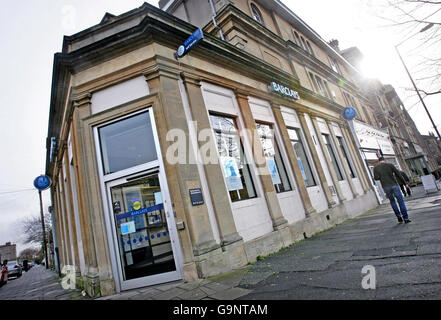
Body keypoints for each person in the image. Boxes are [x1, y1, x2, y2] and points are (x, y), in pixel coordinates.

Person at [374, 157, 411, 224]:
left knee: (392, 201)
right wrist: (405, 184)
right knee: (401, 201)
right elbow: (398, 174)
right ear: (384, 160)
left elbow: (376, 178)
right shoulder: (390, 165)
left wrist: (381, 177)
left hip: (386, 187)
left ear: (379, 161)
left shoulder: (376, 168)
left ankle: (399, 216)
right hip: (394, 185)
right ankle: (406, 218)